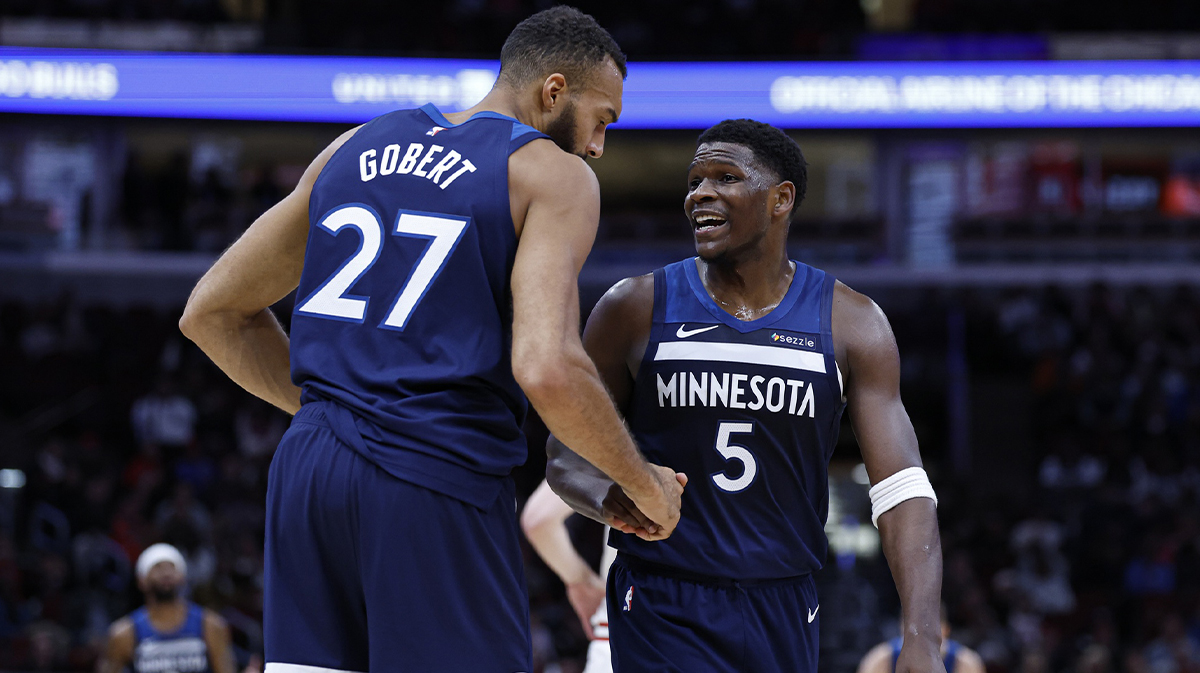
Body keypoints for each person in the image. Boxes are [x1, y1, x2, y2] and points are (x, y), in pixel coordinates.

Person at [178, 6, 685, 672]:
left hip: (308, 471)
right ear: (553, 91)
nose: (596, 147)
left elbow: (210, 312)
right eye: (602, 121)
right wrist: (646, 485)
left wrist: (343, 416)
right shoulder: (552, 175)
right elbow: (548, 367)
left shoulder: (352, 147)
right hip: (433, 473)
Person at [547, 119, 945, 673]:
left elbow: (903, 491)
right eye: (694, 181)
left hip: (785, 601)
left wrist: (922, 639)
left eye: (725, 177)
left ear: (781, 198)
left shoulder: (853, 323)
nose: (700, 194)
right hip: (663, 595)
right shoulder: (633, 307)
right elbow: (565, 455)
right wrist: (609, 496)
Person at [521, 479, 614, 673]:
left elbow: (539, 520)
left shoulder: (623, 448)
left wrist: (581, 581)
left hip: (620, 639)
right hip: (685, 635)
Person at [97, 543, 235, 673]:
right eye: (157, 567)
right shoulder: (123, 634)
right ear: (141, 580)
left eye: (171, 567)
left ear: (182, 577)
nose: (166, 573)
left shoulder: (211, 626)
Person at [857, 609, 985, 673]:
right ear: (902, 629)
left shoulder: (965, 663)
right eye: (915, 632)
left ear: (945, 630)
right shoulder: (880, 661)